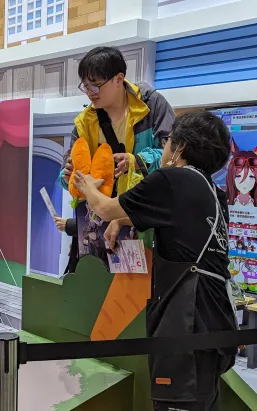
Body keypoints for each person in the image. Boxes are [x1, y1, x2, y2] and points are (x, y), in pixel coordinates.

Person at [73, 111, 237, 411]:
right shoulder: (211, 192)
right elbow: (164, 219)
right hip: (214, 333)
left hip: (185, 336)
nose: (163, 149)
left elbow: (104, 207)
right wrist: (122, 220)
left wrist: (86, 186)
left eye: (166, 142)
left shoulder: (174, 179)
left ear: (179, 147)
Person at [58, 46, 174, 273]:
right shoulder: (85, 121)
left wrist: (136, 161)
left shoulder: (151, 106)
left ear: (119, 79)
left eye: (95, 85)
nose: (90, 92)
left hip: (137, 219)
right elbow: (64, 176)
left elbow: (174, 159)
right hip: (93, 223)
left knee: (132, 288)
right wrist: (68, 175)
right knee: (95, 285)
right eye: (85, 86)